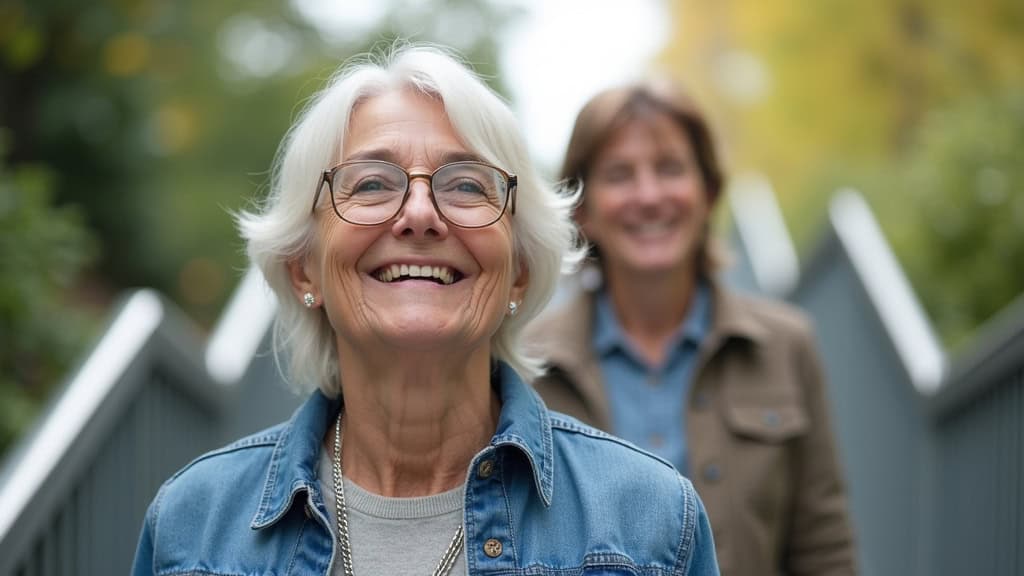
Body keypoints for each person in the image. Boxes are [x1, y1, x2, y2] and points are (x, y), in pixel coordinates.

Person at [131, 47, 719, 576]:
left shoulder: (653, 524)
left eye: (466, 185)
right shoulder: (192, 526)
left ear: (519, 269)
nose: (419, 213)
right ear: (303, 268)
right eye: (369, 185)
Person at [528, 79, 856, 576]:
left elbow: (823, 548)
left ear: (709, 191)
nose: (649, 195)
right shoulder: (525, 363)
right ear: (583, 210)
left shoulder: (788, 346)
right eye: (619, 175)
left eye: (670, 168)